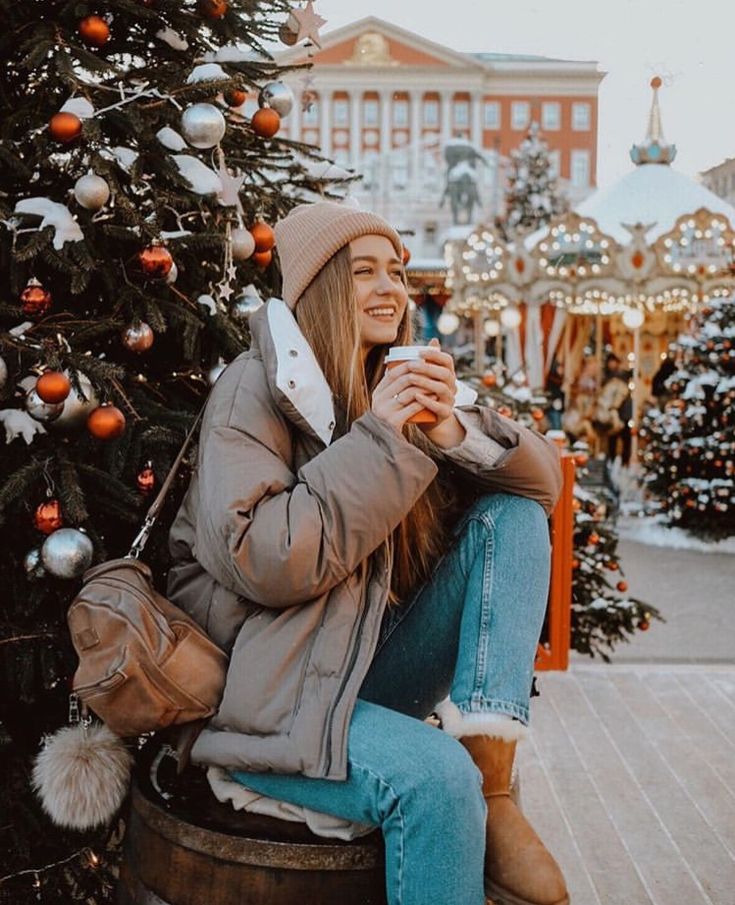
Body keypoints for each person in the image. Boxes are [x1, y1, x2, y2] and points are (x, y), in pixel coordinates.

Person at [167, 201, 567, 905]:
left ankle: (495, 779)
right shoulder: (252, 388)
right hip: (265, 698)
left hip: (358, 671)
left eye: (397, 272)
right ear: (319, 286)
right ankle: (467, 785)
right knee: (435, 779)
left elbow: (542, 483)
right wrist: (381, 437)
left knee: (510, 514)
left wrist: (448, 429)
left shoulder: (393, 381)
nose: (392, 289)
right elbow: (267, 560)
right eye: (364, 272)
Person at [594, 353, 632, 466]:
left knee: (625, 437)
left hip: (623, 411)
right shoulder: (607, 377)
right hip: (612, 412)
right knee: (612, 438)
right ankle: (611, 459)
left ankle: (624, 461)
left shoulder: (622, 375)